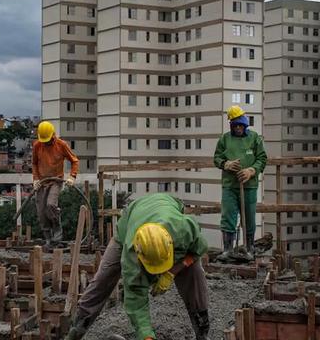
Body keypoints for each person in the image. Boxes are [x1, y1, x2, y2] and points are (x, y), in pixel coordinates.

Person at [66, 193, 210, 340]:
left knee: (194, 272)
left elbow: (200, 248)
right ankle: (75, 332)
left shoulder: (183, 230)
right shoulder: (131, 255)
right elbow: (136, 300)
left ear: (170, 243)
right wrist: (147, 337)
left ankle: (202, 333)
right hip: (129, 224)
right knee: (103, 279)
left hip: (165, 204)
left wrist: (172, 272)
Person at [212, 105, 267, 261]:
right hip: (230, 185)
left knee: (249, 217)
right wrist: (226, 164)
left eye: (240, 125)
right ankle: (228, 249)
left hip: (249, 186)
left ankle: (250, 248)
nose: (238, 128)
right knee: (228, 216)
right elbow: (216, 158)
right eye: (235, 125)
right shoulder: (224, 139)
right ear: (231, 125)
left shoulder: (254, 138)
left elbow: (262, 159)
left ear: (244, 124)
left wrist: (251, 171)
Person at [31, 121, 79, 248]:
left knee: (50, 205)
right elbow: (34, 163)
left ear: (53, 134)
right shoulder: (37, 145)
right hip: (41, 182)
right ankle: (48, 239)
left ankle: (57, 236)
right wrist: (35, 179)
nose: (46, 142)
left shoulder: (61, 145)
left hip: (56, 181)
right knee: (41, 211)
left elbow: (74, 161)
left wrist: (72, 176)